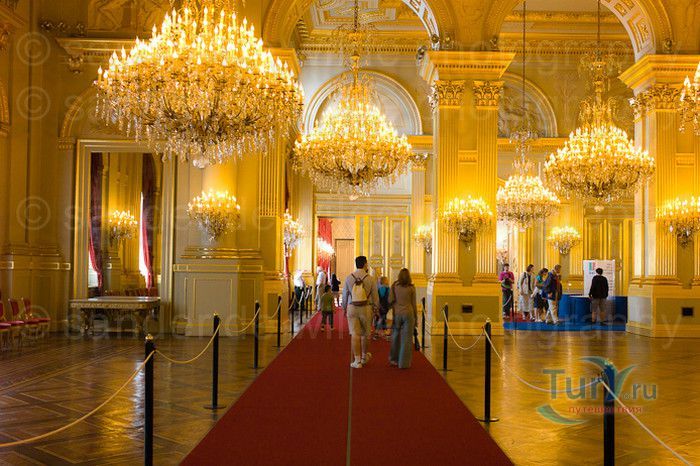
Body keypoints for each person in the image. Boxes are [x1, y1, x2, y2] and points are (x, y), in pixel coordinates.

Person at [342, 256, 379, 369]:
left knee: (355, 334)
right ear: (365, 264)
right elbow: (375, 296)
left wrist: (344, 308)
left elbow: (344, 295)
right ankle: (363, 357)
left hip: (352, 307)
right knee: (366, 334)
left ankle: (357, 361)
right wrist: (376, 308)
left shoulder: (349, 278)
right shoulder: (370, 279)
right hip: (366, 308)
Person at [389, 268, 417, 369]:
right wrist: (416, 319)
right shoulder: (411, 288)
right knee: (407, 339)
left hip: (397, 313)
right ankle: (403, 363)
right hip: (409, 313)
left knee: (395, 336)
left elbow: (390, 300)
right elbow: (414, 304)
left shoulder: (395, 286)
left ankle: (393, 359)